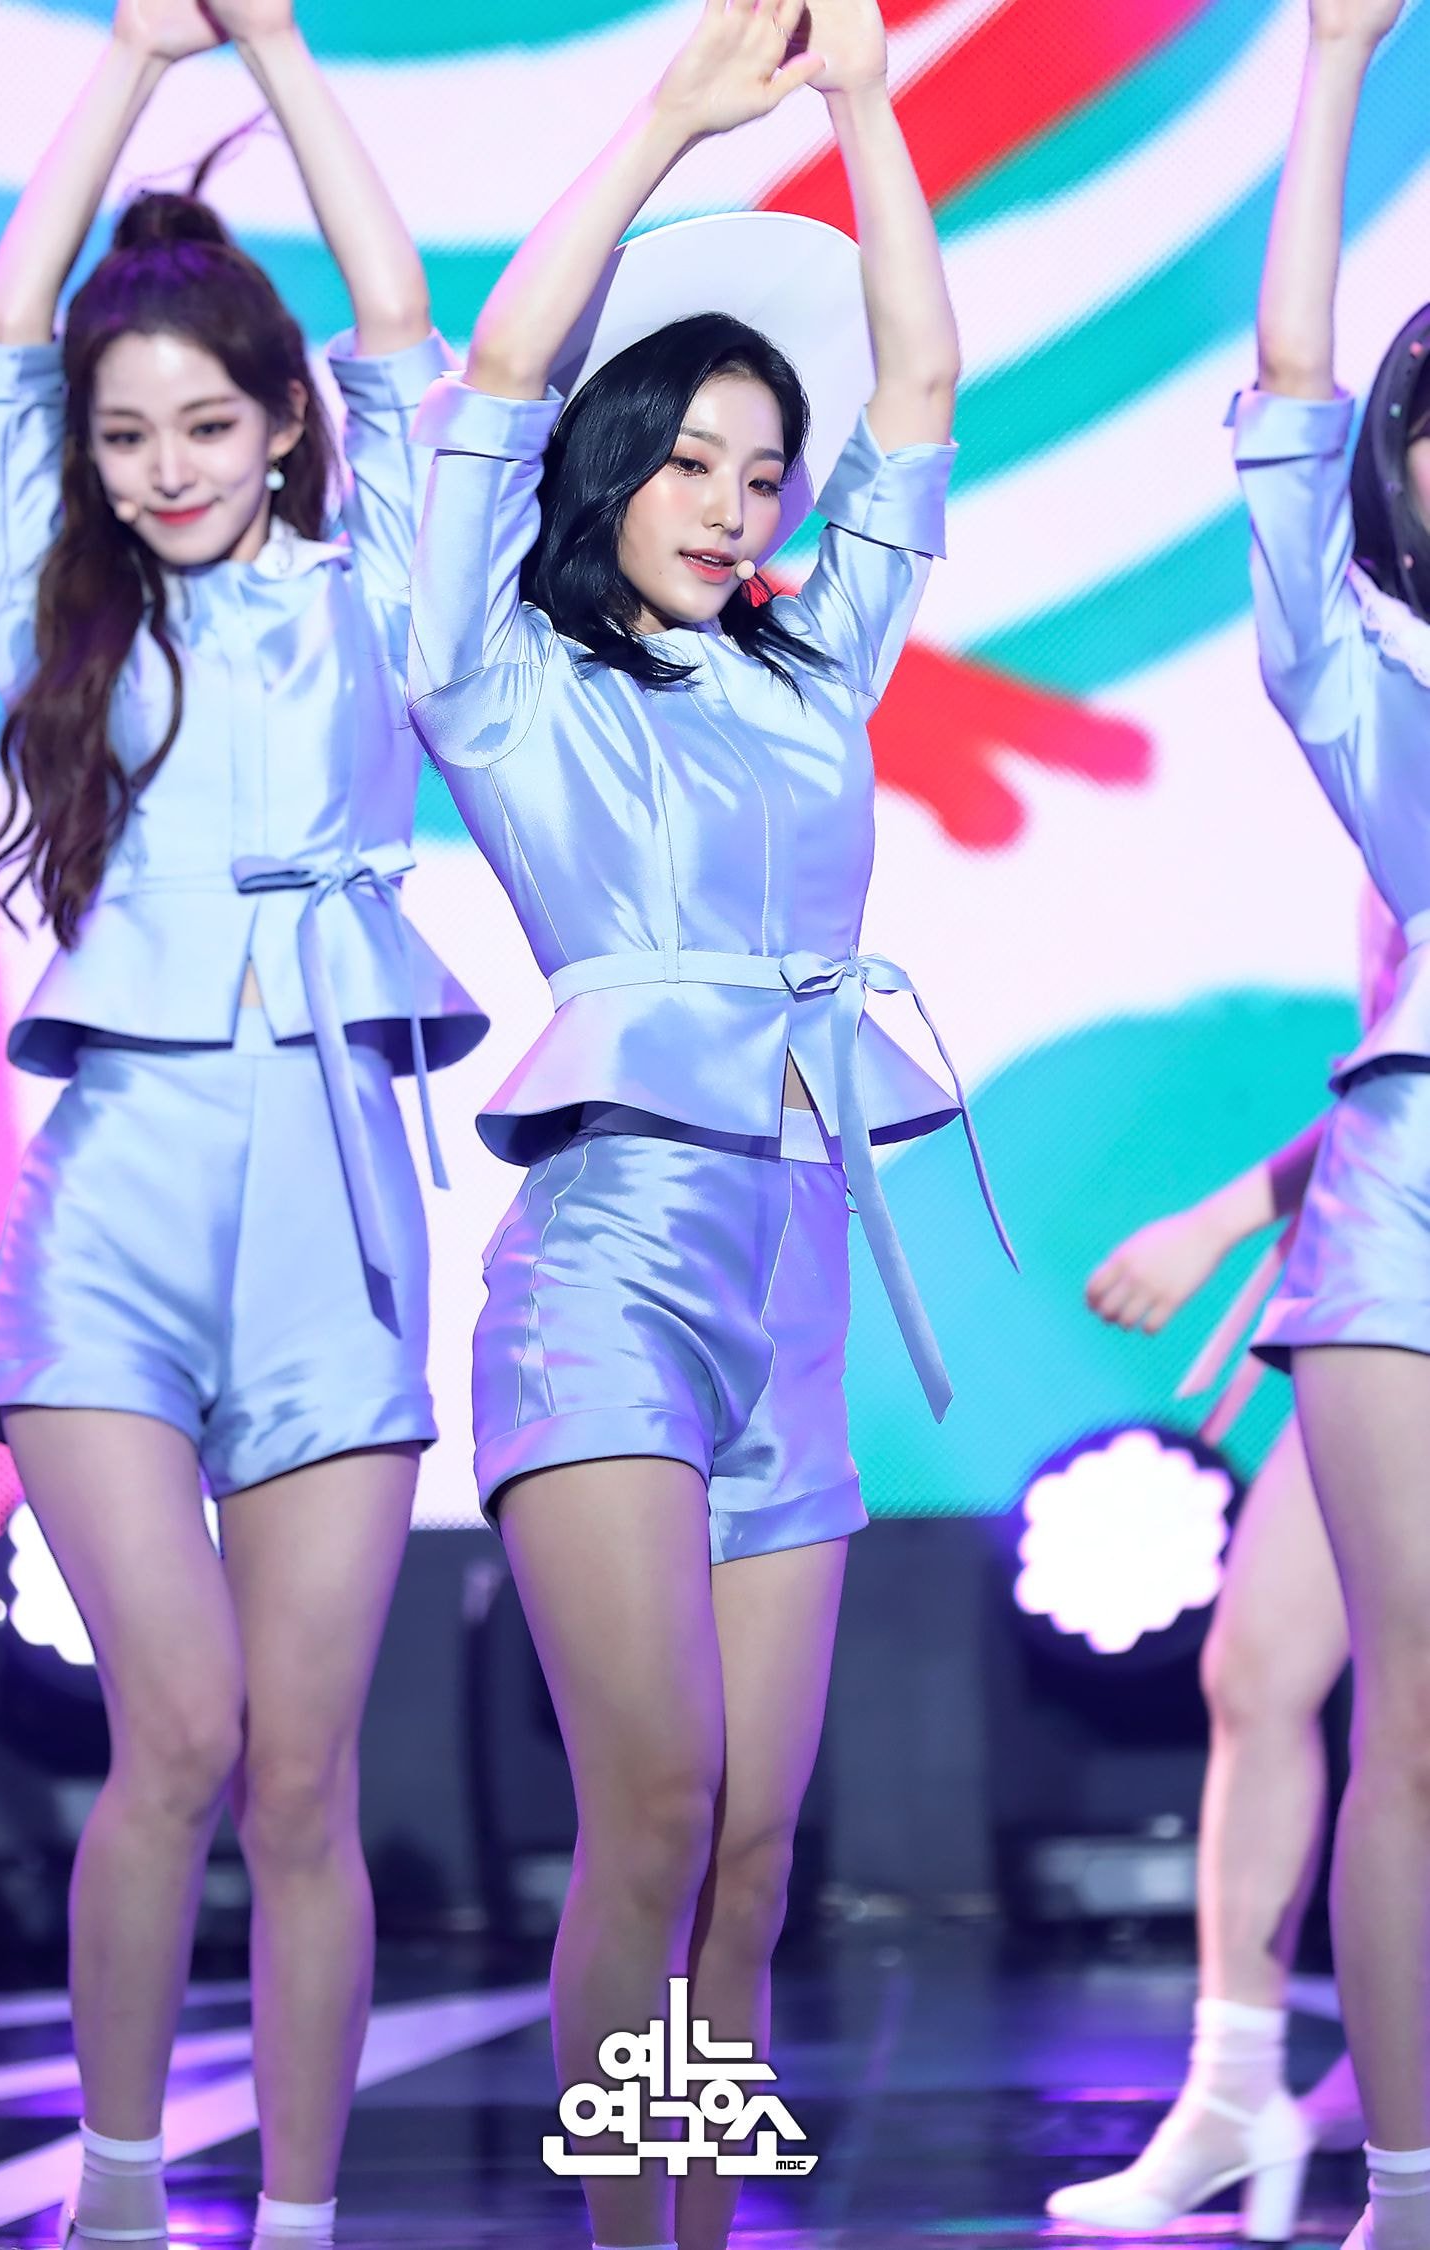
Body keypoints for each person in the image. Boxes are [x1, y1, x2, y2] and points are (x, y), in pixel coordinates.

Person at [408, 4, 1013, 2244]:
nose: (740, 505)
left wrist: (865, 108)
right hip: (606, 1281)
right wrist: (672, 119)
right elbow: (493, 375)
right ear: (613, 460)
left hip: (795, 1282)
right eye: (694, 460)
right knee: (655, 1808)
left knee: (753, 1851)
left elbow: (922, 392)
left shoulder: (808, 666)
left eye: (767, 475)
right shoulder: (499, 673)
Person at [0, 2, 484, 2242]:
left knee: (299, 1773)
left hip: (337, 1204)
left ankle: (305, 2219)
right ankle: (116, 2190)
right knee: (171, 1727)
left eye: (204, 424)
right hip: (119, 1206)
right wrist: (131, 71)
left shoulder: (376, 592)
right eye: (125, 433)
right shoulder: (52, 610)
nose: (164, 466)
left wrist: (274, 45)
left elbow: (401, 324)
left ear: (279, 428)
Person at [1046, 883, 1404, 2235]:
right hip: (1388, 1262)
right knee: (1256, 1668)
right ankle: (1235, 2090)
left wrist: (1219, 1220)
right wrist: (1265, 1221)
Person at [1219, 3, 1430, 2245]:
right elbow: (1289, 392)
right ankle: (1404, 2190)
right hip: (1408, 1203)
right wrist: (1335, 69)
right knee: (1409, 1723)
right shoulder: (1376, 683)